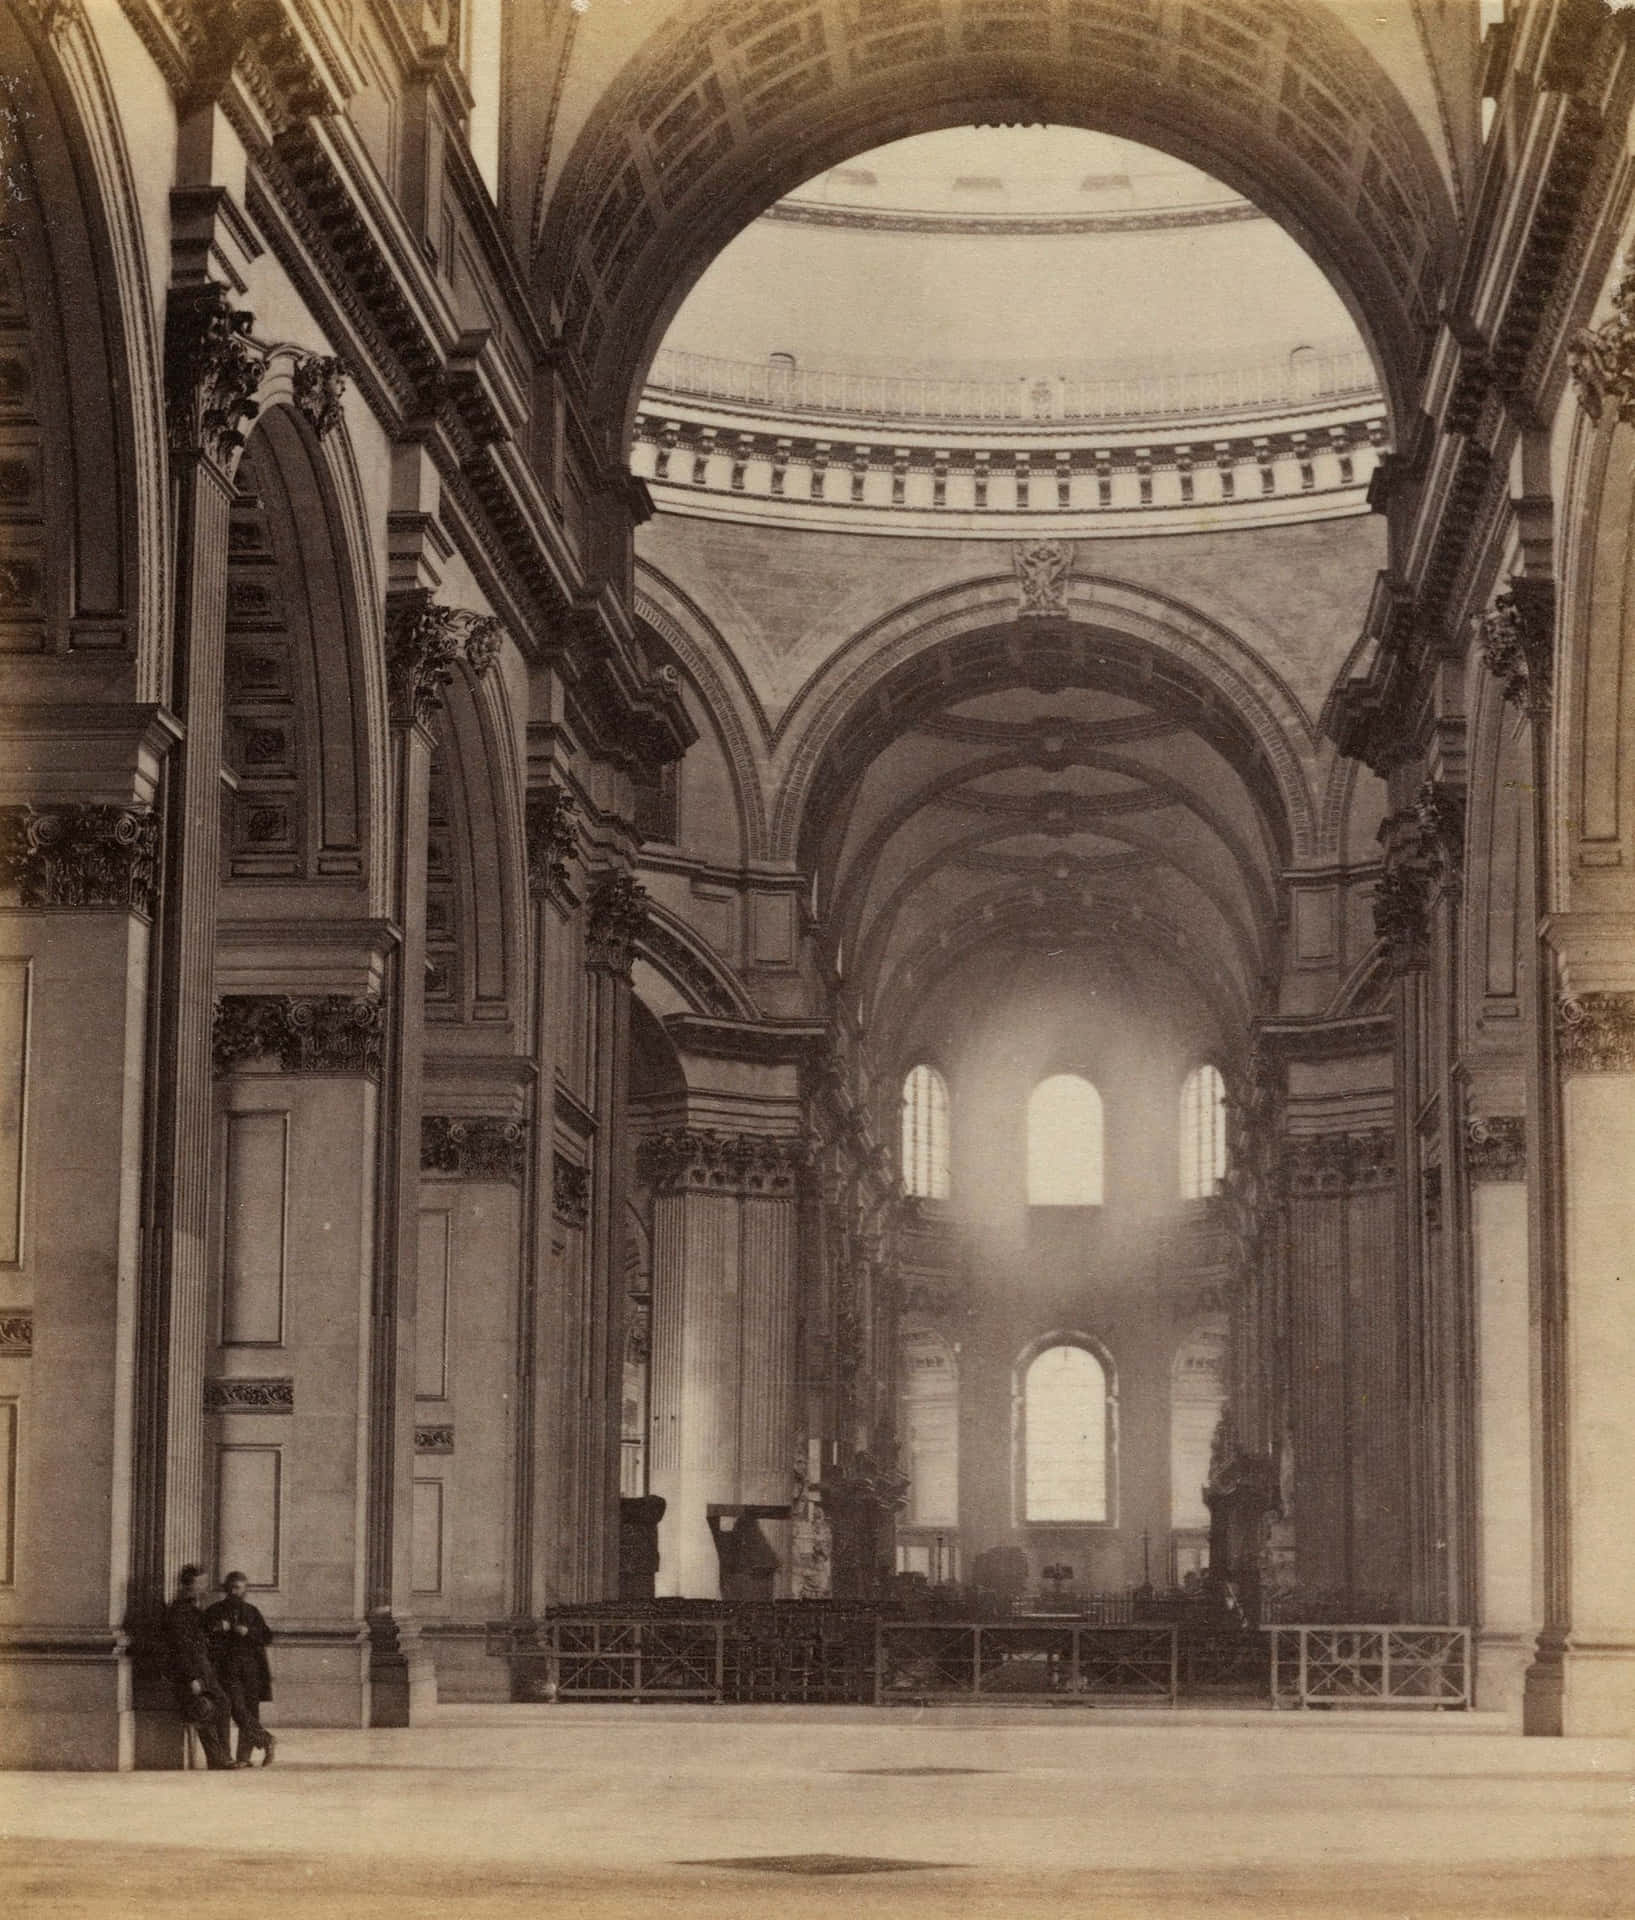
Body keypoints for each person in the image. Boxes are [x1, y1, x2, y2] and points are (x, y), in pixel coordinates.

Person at [162, 1564, 235, 1770]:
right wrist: (192, 1677)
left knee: (222, 1703)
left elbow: (202, 1629)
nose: (204, 1586)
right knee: (208, 1707)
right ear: (189, 1585)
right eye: (201, 1583)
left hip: (203, 1669)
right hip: (191, 1673)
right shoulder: (178, 1612)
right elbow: (180, 1648)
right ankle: (219, 1758)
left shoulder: (191, 1609)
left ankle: (222, 1757)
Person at [202, 1570, 276, 1766]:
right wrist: (219, 1627)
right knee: (235, 1708)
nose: (235, 1592)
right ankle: (263, 1740)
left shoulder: (252, 1611)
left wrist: (248, 1632)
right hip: (227, 1669)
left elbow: (267, 1636)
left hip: (251, 1670)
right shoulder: (214, 1611)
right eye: (232, 1587)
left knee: (250, 1710)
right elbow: (204, 1634)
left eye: (239, 1588)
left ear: (245, 1590)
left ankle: (244, 1758)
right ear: (226, 1588)